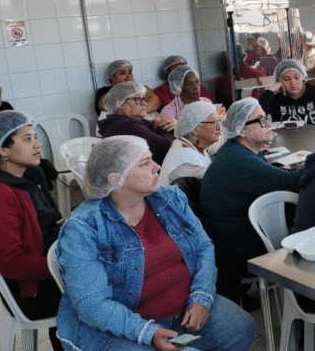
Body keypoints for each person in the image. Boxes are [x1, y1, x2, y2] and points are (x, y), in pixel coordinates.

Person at [55, 136, 255, 351]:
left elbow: (203, 247)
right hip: (121, 325)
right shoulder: (84, 228)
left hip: (182, 308)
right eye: (144, 163)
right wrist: (147, 333)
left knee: (240, 327)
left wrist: (201, 296)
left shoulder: (171, 199)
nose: (157, 167)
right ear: (115, 179)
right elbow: (92, 305)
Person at [0, 111, 65, 351]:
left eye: (36, 137)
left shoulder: (24, 180)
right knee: (117, 285)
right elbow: (11, 263)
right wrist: (68, 264)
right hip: (34, 292)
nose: (37, 144)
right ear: (2, 149)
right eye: (27, 139)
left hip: (50, 274)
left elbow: (42, 227)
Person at [200, 98, 301, 307]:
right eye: (261, 121)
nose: (268, 125)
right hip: (237, 250)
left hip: (235, 240)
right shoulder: (237, 159)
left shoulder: (237, 152)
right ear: (241, 130)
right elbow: (290, 182)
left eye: (267, 118)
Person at [97, 81, 176, 165]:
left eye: (144, 99)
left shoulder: (134, 121)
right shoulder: (124, 125)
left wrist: (168, 126)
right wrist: (164, 130)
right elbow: (165, 148)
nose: (144, 103)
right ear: (119, 103)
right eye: (137, 99)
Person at [258, 59, 315, 125]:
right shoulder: (275, 98)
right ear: (279, 81)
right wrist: (271, 89)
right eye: (287, 79)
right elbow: (256, 115)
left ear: (303, 77)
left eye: (296, 77)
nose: (293, 82)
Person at [159, 101, 220, 186]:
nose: (218, 127)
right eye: (213, 122)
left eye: (218, 121)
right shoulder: (188, 163)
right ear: (194, 129)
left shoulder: (192, 144)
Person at [94, 60, 160, 115]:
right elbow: (104, 106)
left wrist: (138, 113)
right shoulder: (104, 91)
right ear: (112, 76)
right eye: (123, 73)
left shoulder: (139, 87)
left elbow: (155, 102)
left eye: (130, 73)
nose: (128, 76)